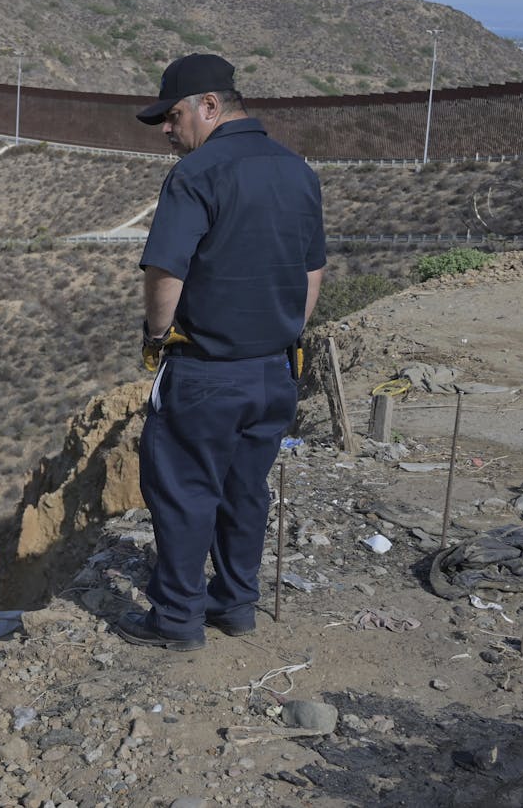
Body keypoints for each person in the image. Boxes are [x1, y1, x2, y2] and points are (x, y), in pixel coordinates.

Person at [115, 53, 326, 651]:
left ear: (210, 106)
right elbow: (312, 271)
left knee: (184, 491)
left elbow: (164, 270)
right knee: (245, 490)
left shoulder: (197, 173)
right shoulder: (297, 170)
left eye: (172, 115)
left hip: (206, 371)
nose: (166, 129)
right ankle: (235, 605)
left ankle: (177, 620)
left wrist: (157, 337)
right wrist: (280, 332)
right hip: (275, 371)